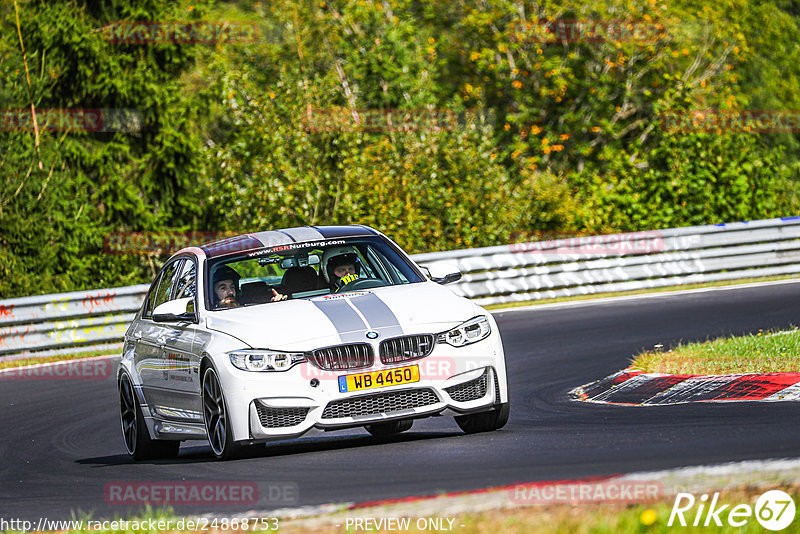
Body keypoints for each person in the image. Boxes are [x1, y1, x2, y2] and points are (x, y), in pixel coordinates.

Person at [212, 265, 286, 309]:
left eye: (232, 287)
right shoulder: (208, 316)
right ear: (213, 293)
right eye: (223, 288)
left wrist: (277, 305)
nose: (230, 292)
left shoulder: (249, 307)